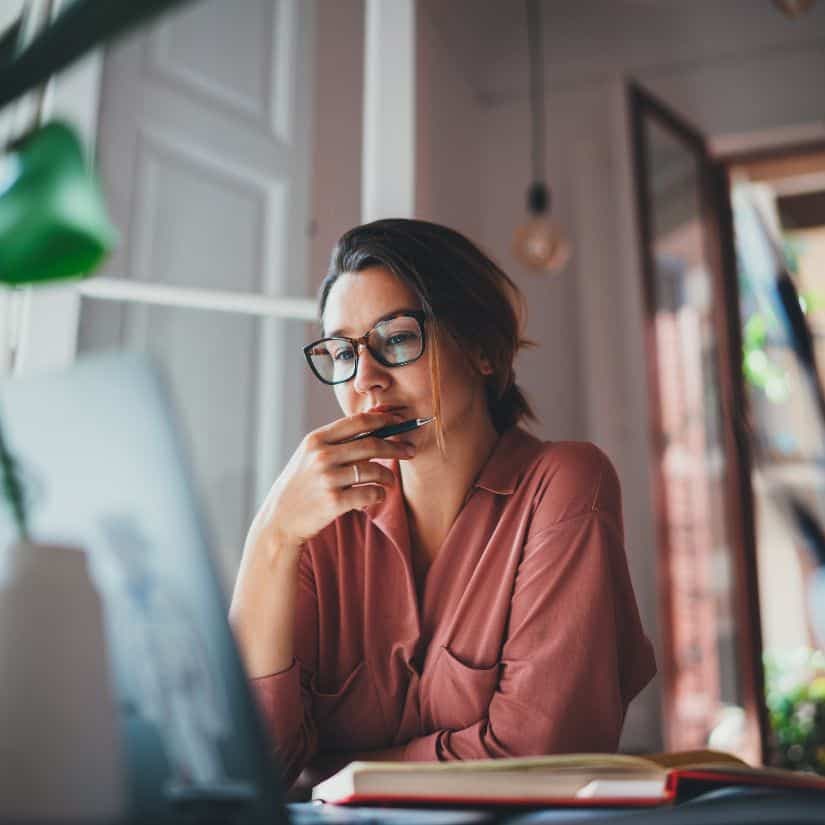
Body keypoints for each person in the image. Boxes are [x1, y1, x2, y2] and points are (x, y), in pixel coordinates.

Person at [229, 219, 656, 791]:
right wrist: (272, 537)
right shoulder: (317, 525)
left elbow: (538, 757)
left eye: (397, 338)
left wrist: (331, 773)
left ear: (480, 348)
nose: (367, 382)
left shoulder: (564, 485)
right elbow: (249, 768)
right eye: (342, 352)